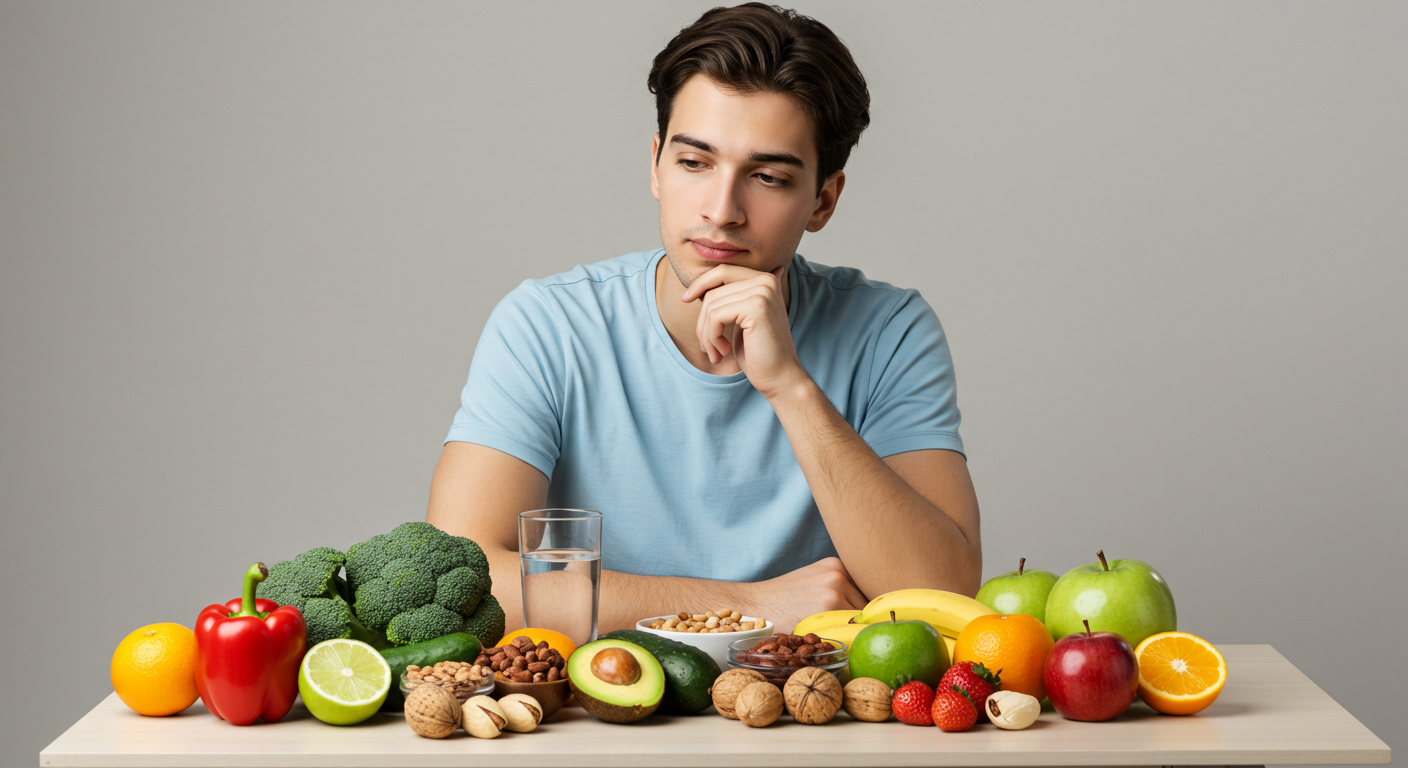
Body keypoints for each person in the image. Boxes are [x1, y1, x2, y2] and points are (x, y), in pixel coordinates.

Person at [427, 3, 980, 636]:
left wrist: (789, 387)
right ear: (656, 165)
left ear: (823, 201)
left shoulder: (889, 331)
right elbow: (467, 581)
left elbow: (941, 591)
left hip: (814, 695)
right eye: (694, 163)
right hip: (607, 690)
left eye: (767, 177)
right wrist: (748, 607)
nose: (721, 211)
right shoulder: (548, 326)